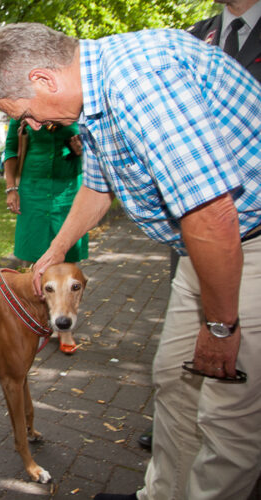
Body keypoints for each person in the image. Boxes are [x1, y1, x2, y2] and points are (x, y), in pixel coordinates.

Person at [0, 23, 261, 500]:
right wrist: (56, 250)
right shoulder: (97, 96)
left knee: (227, 413)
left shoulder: (141, 81)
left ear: (45, 80)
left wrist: (220, 327)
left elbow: (212, 213)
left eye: (27, 114)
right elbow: (98, 186)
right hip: (204, 248)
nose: (37, 127)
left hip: (244, 246)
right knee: (174, 380)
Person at [137, 0, 261, 454]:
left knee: (230, 400)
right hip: (194, 235)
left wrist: (222, 325)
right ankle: (170, 472)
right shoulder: (195, 34)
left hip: (247, 229)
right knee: (176, 371)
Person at [2, 118, 88, 354]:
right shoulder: (21, 112)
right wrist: (12, 188)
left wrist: (83, 151)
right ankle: (33, 320)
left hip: (68, 191)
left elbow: (98, 150)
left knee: (67, 266)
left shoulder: (76, 111)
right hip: (33, 191)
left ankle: (65, 326)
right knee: (32, 260)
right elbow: (11, 149)